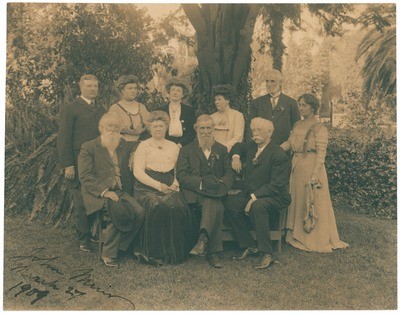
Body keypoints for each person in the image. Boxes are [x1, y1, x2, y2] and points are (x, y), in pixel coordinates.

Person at [281, 93, 349, 252]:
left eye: (304, 105)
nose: (301, 108)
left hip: (311, 167)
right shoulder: (297, 124)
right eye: (300, 105)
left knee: (311, 200)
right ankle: (294, 235)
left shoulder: (320, 127)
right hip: (296, 166)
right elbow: (290, 143)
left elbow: (321, 154)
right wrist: (274, 150)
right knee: (296, 199)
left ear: (312, 107)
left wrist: (315, 175)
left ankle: (312, 238)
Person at [78, 113, 145, 267]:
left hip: (119, 191)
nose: (113, 130)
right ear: (101, 128)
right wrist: (104, 192)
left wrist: (134, 153)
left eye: (116, 127)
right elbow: (85, 176)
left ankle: (121, 246)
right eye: (109, 126)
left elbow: (138, 143)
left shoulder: (122, 145)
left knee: (140, 212)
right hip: (98, 194)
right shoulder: (89, 147)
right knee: (118, 210)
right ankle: (108, 253)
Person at [224, 118, 291, 269]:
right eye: (253, 130)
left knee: (257, 206)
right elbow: (237, 146)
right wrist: (235, 157)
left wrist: (253, 198)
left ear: (269, 132)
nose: (255, 134)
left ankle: (267, 253)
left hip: (276, 196)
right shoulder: (252, 146)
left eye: (259, 130)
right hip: (253, 193)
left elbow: (276, 185)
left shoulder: (278, 154)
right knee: (230, 204)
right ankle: (248, 245)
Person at [133, 111, 192, 266]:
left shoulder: (174, 146)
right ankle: (154, 254)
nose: (158, 129)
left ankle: (173, 253)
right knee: (156, 205)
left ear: (166, 128)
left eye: (161, 126)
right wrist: (158, 185)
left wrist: (175, 185)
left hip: (170, 183)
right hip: (146, 186)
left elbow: (179, 170)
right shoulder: (143, 145)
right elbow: (137, 172)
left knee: (176, 205)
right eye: (155, 126)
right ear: (150, 129)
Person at [177, 115, 234, 268]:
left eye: (209, 128)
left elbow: (229, 173)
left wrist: (222, 184)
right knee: (216, 204)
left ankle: (203, 240)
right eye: (202, 128)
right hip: (195, 194)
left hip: (216, 191)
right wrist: (202, 183)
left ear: (213, 129)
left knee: (213, 201)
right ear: (196, 129)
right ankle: (213, 253)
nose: (206, 131)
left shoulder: (221, 149)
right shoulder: (186, 150)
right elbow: (182, 176)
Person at [57, 74, 106, 253]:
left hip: (97, 161)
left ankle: (94, 232)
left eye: (95, 86)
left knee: (97, 196)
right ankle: (83, 238)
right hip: (77, 162)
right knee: (80, 201)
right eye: (89, 86)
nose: (93, 89)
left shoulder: (101, 109)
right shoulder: (71, 108)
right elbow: (63, 139)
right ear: (81, 88)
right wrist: (68, 164)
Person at [248, 69, 300, 145]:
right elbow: (250, 128)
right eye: (267, 81)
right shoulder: (257, 103)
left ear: (280, 83)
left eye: (272, 81)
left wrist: (289, 145)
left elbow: (296, 128)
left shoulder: (291, 103)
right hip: (261, 146)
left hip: (283, 147)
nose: (269, 84)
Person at [108, 74, 150, 145]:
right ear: (122, 90)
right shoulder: (115, 108)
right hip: (122, 145)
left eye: (135, 88)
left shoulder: (142, 107)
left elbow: (149, 124)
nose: (133, 91)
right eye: (130, 88)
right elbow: (111, 129)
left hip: (142, 144)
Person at [160, 78, 196, 148]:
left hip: (184, 146)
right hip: (164, 144)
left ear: (183, 94)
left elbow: (192, 131)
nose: (175, 93)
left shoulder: (189, 111)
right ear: (169, 92)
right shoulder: (161, 110)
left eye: (178, 91)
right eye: (173, 90)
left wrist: (180, 144)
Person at [210, 84, 244, 152]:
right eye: (215, 100)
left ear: (227, 100)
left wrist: (223, 149)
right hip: (212, 151)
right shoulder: (212, 117)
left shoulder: (237, 116)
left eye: (219, 99)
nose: (216, 102)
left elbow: (238, 137)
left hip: (229, 151)